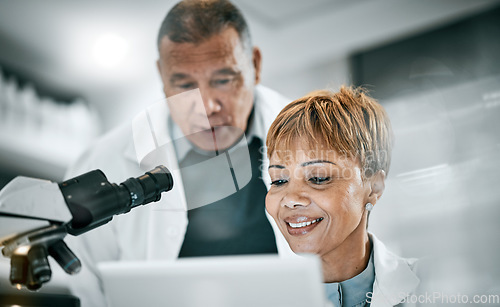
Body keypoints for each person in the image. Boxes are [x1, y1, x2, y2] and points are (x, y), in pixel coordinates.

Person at [63, 1, 290, 306]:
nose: (207, 106)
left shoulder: (319, 140)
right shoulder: (102, 164)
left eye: (223, 80)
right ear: (162, 75)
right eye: (184, 85)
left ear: (255, 65)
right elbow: (88, 293)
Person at [265, 86, 420, 306]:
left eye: (318, 178)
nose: (290, 199)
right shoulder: (256, 298)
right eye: (278, 180)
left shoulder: (435, 286)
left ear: (374, 188)